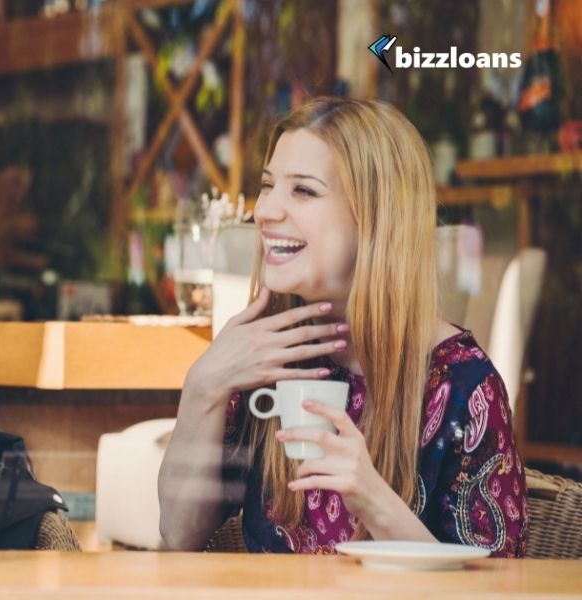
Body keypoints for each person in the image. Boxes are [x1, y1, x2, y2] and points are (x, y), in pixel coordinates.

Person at [158, 97, 528, 557]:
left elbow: (497, 590)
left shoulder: (465, 388)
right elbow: (180, 532)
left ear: (374, 219)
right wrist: (204, 384)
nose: (265, 211)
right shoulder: (267, 359)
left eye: (303, 191)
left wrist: (373, 500)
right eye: (268, 185)